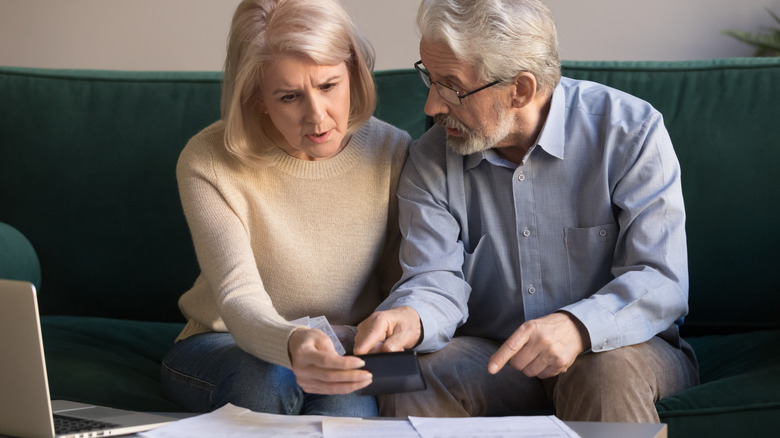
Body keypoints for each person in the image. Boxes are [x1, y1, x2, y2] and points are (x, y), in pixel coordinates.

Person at [353, 0, 699, 422]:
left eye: (451, 86)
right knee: (407, 372)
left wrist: (577, 326)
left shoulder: (630, 132)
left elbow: (661, 279)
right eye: (430, 78)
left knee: (602, 371)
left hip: (622, 349)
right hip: (496, 359)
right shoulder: (431, 160)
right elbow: (434, 280)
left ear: (521, 89)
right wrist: (411, 316)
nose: (431, 107)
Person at [160, 0, 410, 417]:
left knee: (349, 406)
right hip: (224, 342)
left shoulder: (392, 150)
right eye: (290, 96)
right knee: (269, 380)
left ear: (352, 71)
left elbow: (401, 285)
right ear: (257, 97)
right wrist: (293, 343)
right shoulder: (207, 160)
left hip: (344, 346)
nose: (317, 117)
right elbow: (237, 297)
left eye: (329, 86)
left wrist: (353, 343)